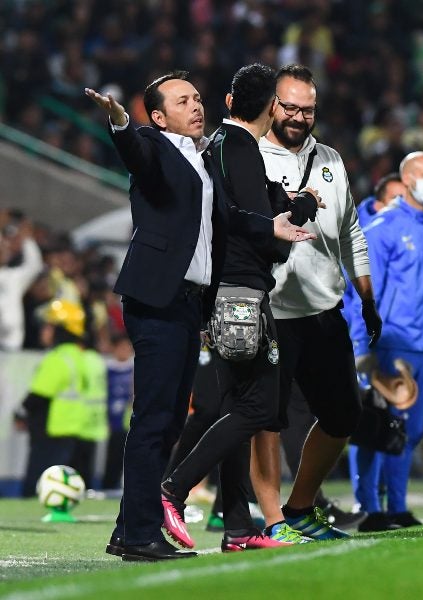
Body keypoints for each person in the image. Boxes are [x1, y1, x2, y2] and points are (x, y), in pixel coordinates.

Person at [86, 71, 309, 562]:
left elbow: (226, 218)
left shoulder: (203, 157)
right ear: (159, 116)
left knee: (167, 423)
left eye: (196, 98)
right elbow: (135, 153)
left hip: (190, 302)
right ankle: (141, 532)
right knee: (154, 419)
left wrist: (272, 224)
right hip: (157, 299)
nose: (195, 105)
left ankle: (131, 529)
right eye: (182, 101)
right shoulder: (153, 144)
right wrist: (122, 122)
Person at [159, 63, 322, 553]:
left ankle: (237, 527)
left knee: (232, 406)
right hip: (242, 291)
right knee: (258, 406)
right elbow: (253, 225)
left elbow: (245, 212)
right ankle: (174, 487)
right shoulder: (241, 149)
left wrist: (289, 206)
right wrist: (292, 217)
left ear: (230, 101)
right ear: (272, 107)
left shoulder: (219, 147)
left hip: (225, 290)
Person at [251, 64, 378, 542]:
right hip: (272, 309)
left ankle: (300, 506)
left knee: (344, 415)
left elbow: (350, 232)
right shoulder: (250, 155)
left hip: (325, 309)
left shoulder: (331, 159)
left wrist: (366, 296)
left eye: (308, 109)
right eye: (290, 107)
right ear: (271, 104)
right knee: (265, 419)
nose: (300, 117)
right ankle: (272, 521)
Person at [350, 151, 423, 532]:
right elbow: (364, 291)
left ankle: (396, 506)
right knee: (382, 428)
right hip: (391, 342)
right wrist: (363, 347)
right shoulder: (383, 228)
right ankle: (372, 508)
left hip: (421, 343)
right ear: (407, 179)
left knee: (412, 430)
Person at [15, 300, 107, 496]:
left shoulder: (58, 358)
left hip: (50, 428)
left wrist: (20, 413)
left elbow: (38, 395)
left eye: (49, 326)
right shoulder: (80, 357)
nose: (43, 330)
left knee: (37, 486)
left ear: (61, 330)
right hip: (72, 429)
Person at [0, 212, 43, 351]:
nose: (5, 250)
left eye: (5, 248)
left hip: (10, 346)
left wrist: (26, 237)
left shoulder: (13, 277)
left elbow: (34, 264)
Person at [102, 333, 133, 491]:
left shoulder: (135, 368)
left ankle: (126, 486)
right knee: (112, 455)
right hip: (112, 420)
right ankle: (108, 486)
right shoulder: (107, 369)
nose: (124, 350)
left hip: (129, 420)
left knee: (129, 455)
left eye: (127, 347)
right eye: (121, 347)